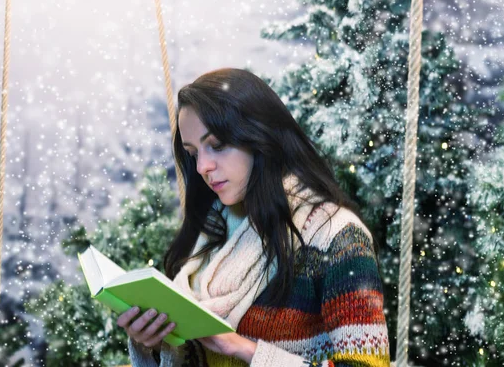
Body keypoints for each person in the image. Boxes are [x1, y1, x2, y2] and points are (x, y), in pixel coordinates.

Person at [117, 68, 390, 366]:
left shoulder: (337, 235)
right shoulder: (210, 232)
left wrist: (246, 350)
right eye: (193, 153)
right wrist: (155, 345)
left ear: (260, 136)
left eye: (217, 146)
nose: (202, 167)